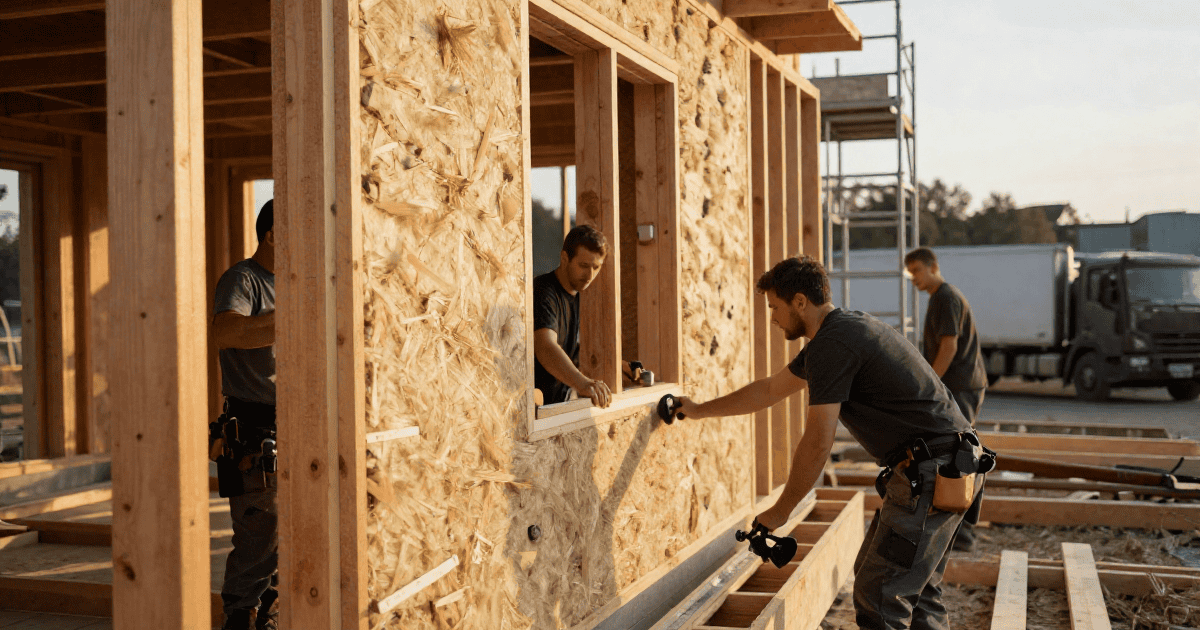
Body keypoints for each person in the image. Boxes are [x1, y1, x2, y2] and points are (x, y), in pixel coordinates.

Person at [677, 256, 990, 630]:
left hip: (933, 472)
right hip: (949, 465)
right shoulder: (844, 330)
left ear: (800, 302)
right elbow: (769, 390)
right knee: (911, 591)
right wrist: (697, 410)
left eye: (775, 307)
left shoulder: (833, 345)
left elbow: (817, 441)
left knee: (881, 595)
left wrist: (781, 510)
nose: (773, 318)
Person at [211, 200, 279, 630]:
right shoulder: (244, 279)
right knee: (259, 536)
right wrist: (295, 318)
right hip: (255, 431)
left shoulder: (301, 279)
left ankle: (272, 613)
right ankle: (240, 617)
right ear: (272, 235)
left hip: (302, 424)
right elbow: (226, 331)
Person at [906, 247, 988, 551]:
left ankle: (963, 534)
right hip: (960, 386)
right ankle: (960, 531)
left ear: (933, 266)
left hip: (961, 386)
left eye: (916, 270)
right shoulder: (940, 297)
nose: (912, 278)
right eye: (910, 272)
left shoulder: (946, 297)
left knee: (961, 456)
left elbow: (949, 347)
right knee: (960, 454)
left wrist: (932, 386)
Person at [533, 225, 642, 408]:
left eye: (596, 267)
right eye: (583, 266)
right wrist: (583, 384)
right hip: (536, 413)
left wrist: (617, 366)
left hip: (557, 408)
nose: (590, 275)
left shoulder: (577, 296)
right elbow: (546, 347)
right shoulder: (544, 291)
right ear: (564, 258)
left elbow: (572, 353)